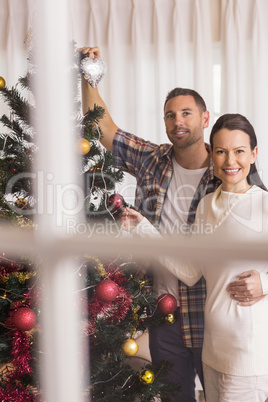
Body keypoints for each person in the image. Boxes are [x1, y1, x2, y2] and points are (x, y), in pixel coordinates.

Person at [80, 46, 266, 401]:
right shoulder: (153, 159)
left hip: (212, 314)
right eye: (170, 115)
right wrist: (88, 76)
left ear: (205, 119)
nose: (178, 121)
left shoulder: (229, 174)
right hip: (163, 311)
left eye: (186, 113)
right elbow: (103, 128)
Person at [121, 113, 268, 401]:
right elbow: (190, 271)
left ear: (253, 154)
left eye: (239, 151)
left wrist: (265, 282)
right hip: (212, 351)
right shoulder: (206, 206)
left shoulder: (264, 204)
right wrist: (144, 229)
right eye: (222, 151)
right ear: (211, 154)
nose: (230, 161)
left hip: (248, 355)